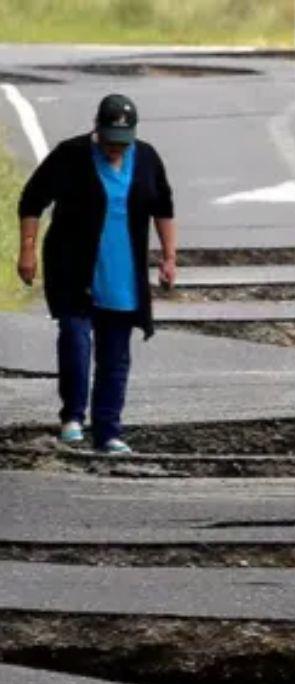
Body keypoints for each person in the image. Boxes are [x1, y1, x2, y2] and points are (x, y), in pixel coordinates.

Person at [16, 93, 176, 454]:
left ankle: (108, 431)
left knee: (115, 352)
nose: (115, 149)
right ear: (96, 130)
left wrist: (168, 257)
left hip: (122, 269)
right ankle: (72, 416)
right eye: (109, 141)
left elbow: (163, 207)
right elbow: (32, 200)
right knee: (75, 336)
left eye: (122, 143)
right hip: (72, 265)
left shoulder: (147, 158)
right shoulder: (70, 155)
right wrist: (27, 250)